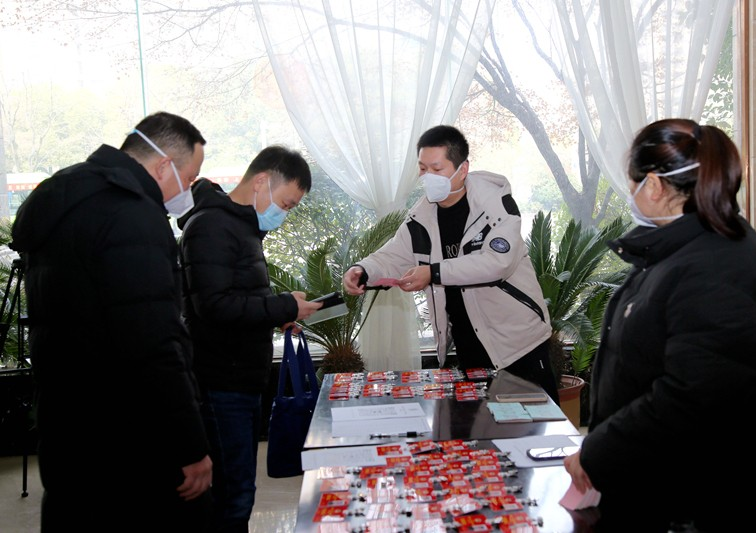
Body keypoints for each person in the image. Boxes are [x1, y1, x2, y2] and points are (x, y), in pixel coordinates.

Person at [564, 118, 756, 531]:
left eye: (632, 183)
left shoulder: (720, 266)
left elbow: (694, 398)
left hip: (702, 504)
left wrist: (599, 450)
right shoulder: (682, 246)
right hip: (661, 485)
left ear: (653, 185)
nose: (631, 194)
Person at [10, 111, 213, 531]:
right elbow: (153, 343)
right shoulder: (131, 214)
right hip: (127, 436)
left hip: (67, 421)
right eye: (189, 178)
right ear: (163, 166)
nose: (188, 190)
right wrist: (191, 445)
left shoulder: (65, 197)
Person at [343, 125, 559, 403]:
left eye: (437, 169)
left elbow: (497, 263)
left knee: (533, 425)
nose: (428, 177)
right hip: (469, 347)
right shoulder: (421, 217)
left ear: (463, 169)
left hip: (518, 345)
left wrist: (433, 273)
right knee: (478, 427)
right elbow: (393, 255)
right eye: (423, 169)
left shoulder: (496, 207)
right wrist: (363, 270)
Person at [177, 145, 322, 533]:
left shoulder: (242, 227)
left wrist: (280, 313)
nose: (284, 214)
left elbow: (240, 299)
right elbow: (214, 306)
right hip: (220, 380)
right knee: (233, 495)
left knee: (238, 490)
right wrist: (283, 306)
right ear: (261, 181)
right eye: (286, 204)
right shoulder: (211, 226)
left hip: (241, 376)